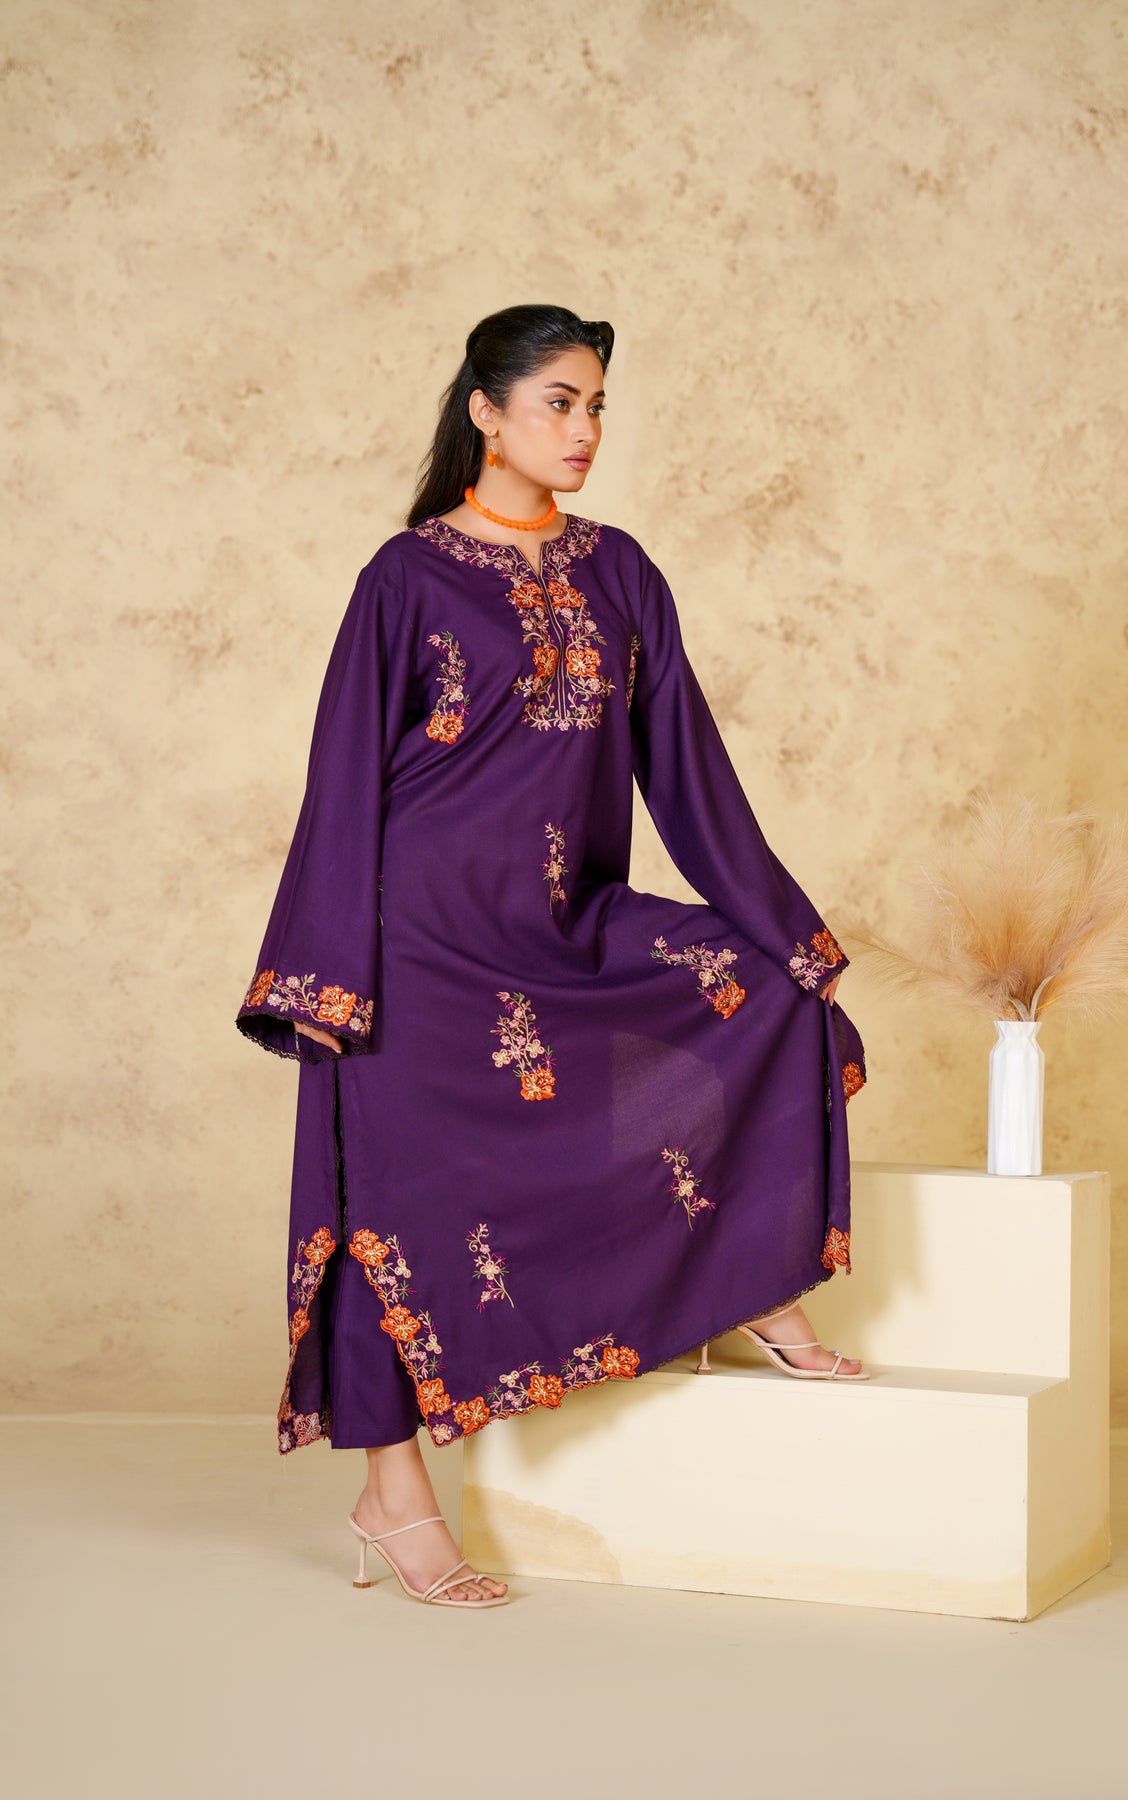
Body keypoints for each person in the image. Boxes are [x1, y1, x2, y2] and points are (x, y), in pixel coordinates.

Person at [235, 303, 869, 1611]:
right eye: (558, 404)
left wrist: (782, 922)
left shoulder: (619, 570)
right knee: (393, 1205)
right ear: (486, 410)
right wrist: (325, 971)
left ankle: (751, 1275)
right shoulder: (406, 578)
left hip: (566, 921)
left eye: (595, 407)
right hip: (419, 942)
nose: (584, 431)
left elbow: (685, 766)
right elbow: (342, 775)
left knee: (765, 992)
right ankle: (394, 1495)